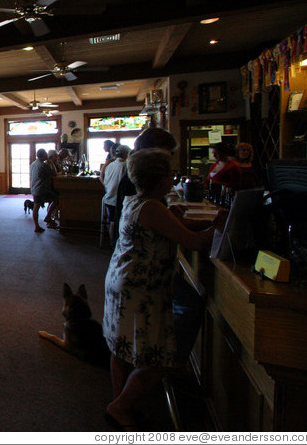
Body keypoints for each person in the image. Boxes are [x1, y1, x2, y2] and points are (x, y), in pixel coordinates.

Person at [103, 148, 226, 431]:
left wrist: (204, 222)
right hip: (142, 289)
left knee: (120, 347)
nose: (172, 177)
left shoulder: (136, 201)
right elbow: (193, 242)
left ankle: (121, 404)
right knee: (158, 358)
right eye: (169, 173)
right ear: (161, 178)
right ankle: (120, 406)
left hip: (121, 280)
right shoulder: (153, 207)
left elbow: (174, 225)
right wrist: (220, 227)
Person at [113, 128, 179, 243]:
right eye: (169, 151)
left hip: (127, 246)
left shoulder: (135, 169)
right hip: (139, 249)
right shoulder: (142, 175)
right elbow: (193, 241)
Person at [100, 144, 131, 246]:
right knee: (117, 221)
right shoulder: (126, 165)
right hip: (118, 199)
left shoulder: (109, 165)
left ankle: (112, 243)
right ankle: (116, 244)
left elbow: (102, 179)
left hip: (108, 197)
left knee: (111, 220)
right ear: (126, 154)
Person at [29, 149, 58, 233]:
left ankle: (37, 226)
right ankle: (48, 217)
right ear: (44, 155)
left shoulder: (33, 163)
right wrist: (51, 162)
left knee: (36, 207)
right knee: (57, 200)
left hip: (34, 188)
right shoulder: (43, 165)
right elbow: (55, 173)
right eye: (46, 154)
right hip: (43, 189)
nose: (47, 155)